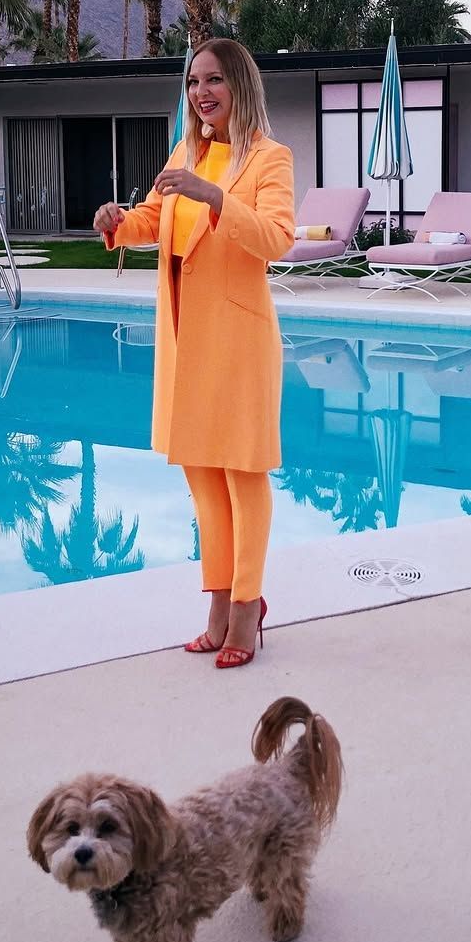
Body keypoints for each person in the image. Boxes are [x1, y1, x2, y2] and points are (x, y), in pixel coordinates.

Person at [93, 39, 295, 668]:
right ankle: (218, 603)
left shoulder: (270, 158)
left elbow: (277, 240)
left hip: (238, 343)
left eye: (214, 80)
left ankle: (246, 608)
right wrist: (117, 222)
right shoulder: (185, 152)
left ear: (240, 85)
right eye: (193, 81)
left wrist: (214, 197)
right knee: (203, 479)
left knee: (243, 475)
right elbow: (153, 220)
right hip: (184, 340)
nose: (201, 92)